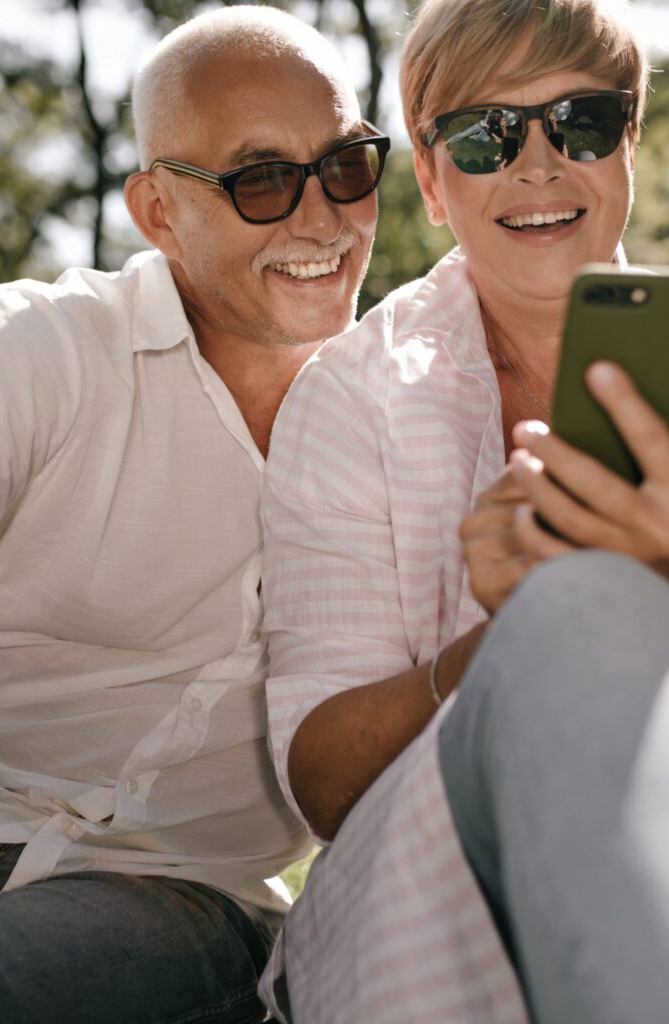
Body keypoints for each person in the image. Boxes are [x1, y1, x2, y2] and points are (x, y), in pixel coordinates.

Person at [0, 6, 384, 1021]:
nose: (322, 218)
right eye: (263, 179)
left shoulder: (408, 426)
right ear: (159, 210)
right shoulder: (44, 346)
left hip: (177, 896)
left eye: (347, 166)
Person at [258, 0, 669, 1021]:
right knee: (574, 612)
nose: (537, 166)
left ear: (628, 145)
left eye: (579, 120)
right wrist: (509, 637)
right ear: (433, 186)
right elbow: (323, 783)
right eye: (487, 136)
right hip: (424, 892)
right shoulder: (351, 395)